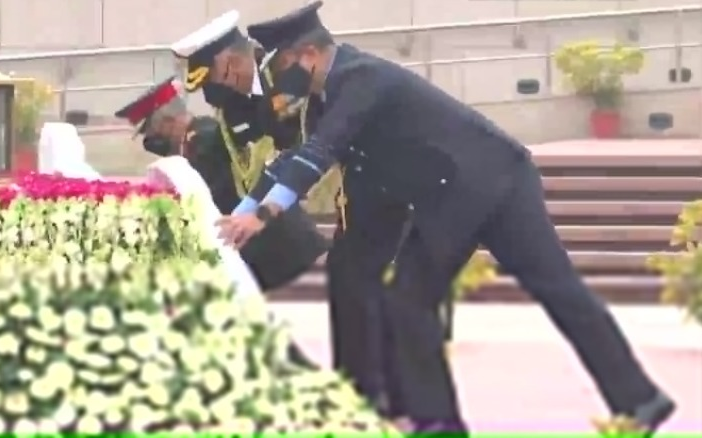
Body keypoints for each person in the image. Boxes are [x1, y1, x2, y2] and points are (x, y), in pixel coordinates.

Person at [217, 1, 676, 435]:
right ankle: (438, 422)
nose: (276, 81)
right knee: (409, 300)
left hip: (498, 180)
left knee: (557, 289)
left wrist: (263, 214)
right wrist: (234, 216)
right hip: (448, 198)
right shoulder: (327, 99)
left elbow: (321, 151)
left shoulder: (363, 79)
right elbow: (295, 159)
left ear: (308, 54)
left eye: (279, 68)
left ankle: (639, 399)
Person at [169, 9, 399, 413]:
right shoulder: (232, 106)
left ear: (232, 60)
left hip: (374, 173)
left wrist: (258, 211)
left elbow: (299, 150)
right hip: (340, 185)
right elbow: (262, 162)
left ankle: (370, 394)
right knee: (347, 281)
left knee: (358, 282)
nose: (217, 91)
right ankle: (357, 391)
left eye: (218, 75)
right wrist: (244, 210)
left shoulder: (287, 73)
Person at [113, 77, 327, 367]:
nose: (152, 141)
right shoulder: (197, 140)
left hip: (279, 247)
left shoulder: (205, 140)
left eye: (151, 131)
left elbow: (214, 200)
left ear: (166, 122)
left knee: (297, 334)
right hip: (264, 248)